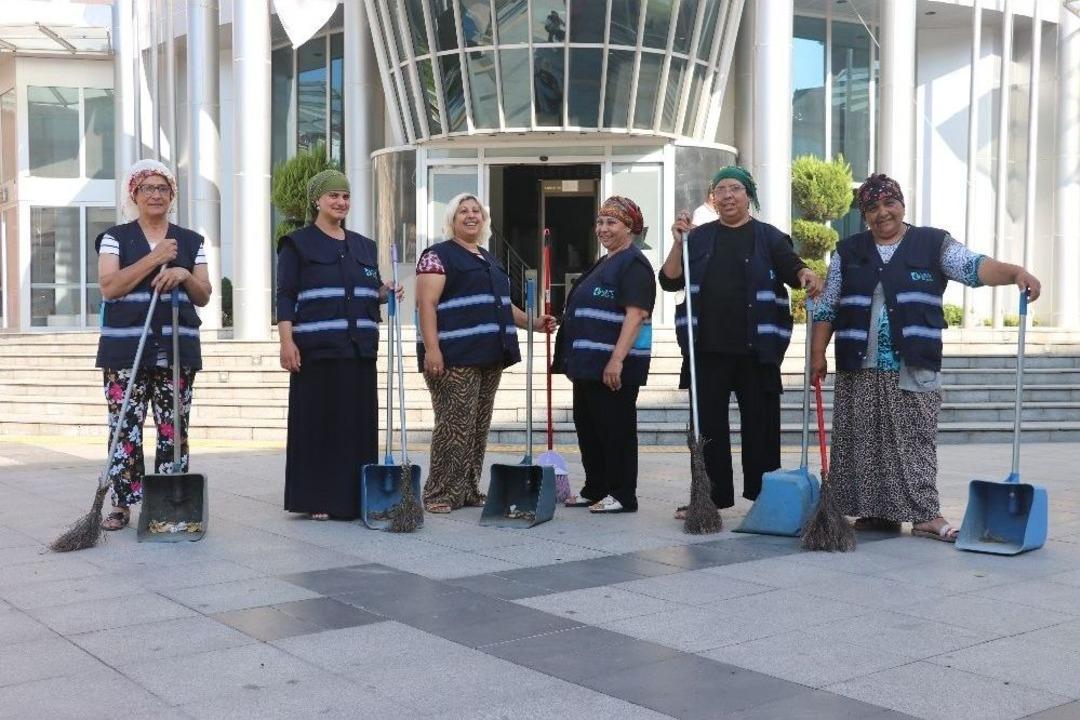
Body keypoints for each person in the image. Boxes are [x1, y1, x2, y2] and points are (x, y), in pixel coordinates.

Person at [811, 173, 1041, 542]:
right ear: (864, 214)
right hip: (860, 366)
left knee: (915, 441)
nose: (882, 213)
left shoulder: (933, 243)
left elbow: (975, 267)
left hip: (913, 363)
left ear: (902, 204)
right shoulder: (847, 251)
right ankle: (878, 513)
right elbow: (827, 306)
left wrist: (1015, 273)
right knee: (863, 441)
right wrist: (817, 353)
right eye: (872, 207)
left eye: (889, 203)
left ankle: (925, 515)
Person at [660, 166, 822, 519]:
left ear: (749, 196)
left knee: (761, 428)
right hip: (706, 351)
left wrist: (806, 273)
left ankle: (765, 497)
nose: (728, 195)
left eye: (735, 188)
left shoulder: (769, 237)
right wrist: (678, 241)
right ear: (713, 198)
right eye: (721, 189)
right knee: (707, 429)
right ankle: (710, 498)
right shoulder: (698, 238)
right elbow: (670, 280)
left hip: (757, 351)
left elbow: (794, 269)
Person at [416, 193, 554, 514]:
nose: (470, 215)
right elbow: (426, 304)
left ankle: (466, 489)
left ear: (484, 219)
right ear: (452, 220)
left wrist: (534, 323)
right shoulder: (437, 256)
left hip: (490, 354)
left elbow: (503, 306)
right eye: (462, 211)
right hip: (454, 356)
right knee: (454, 425)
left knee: (478, 426)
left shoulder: (489, 258)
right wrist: (432, 349)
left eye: (476, 211)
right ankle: (439, 493)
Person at [95, 159, 213, 531]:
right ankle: (121, 503)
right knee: (124, 426)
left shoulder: (191, 241)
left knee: (173, 428)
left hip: (177, 348)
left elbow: (204, 294)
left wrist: (182, 272)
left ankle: (169, 502)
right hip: (125, 348)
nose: (156, 195)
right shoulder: (115, 237)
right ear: (134, 194)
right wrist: (156, 258)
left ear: (171, 195)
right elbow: (110, 287)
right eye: (147, 188)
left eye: (163, 188)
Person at [277, 170, 399, 520]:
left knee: (356, 426)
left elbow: (369, 288)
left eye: (345, 196)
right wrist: (287, 342)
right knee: (318, 425)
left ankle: (356, 496)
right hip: (317, 350)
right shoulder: (296, 244)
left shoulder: (364, 246)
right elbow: (285, 295)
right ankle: (317, 498)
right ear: (317, 200)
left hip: (359, 350)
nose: (341, 202)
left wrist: (384, 292)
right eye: (333, 195)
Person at [556, 197, 656, 514]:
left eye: (612, 222)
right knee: (589, 428)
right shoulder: (605, 262)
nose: (603, 228)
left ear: (629, 227)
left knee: (615, 430)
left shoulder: (634, 263)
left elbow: (636, 314)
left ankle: (622, 493)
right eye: (600, 222)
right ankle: (595, 488)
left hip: (611, 366)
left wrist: (617, 360)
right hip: (588, 365)